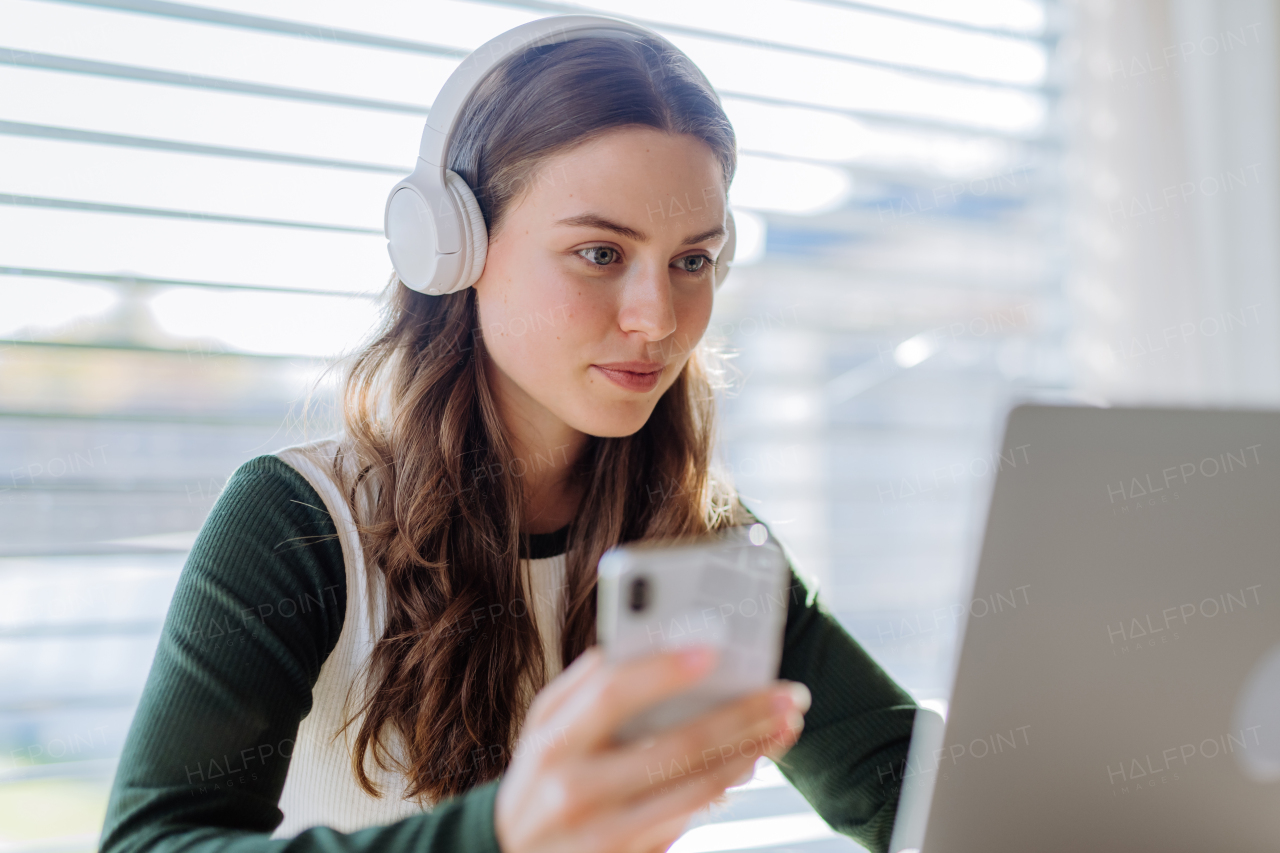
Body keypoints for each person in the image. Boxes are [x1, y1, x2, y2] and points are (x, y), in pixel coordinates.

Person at [98, 16, 918, 853]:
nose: (658, 318)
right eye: (600, 253)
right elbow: (150, 843)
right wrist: (502, 833)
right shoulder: (303, 521)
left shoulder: (702, 531)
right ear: (454, 249)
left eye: (693, 260)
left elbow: (912, 796)